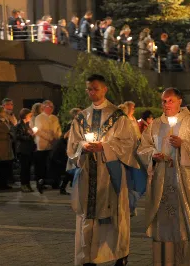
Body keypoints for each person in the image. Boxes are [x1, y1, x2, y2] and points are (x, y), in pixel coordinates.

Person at [137, 87, 190, 266]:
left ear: (180, 101)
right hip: (162, 181)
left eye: (170, 101)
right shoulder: (155, 125)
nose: (166, 104)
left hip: (186, 183)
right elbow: (143, 147)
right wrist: (153, 155)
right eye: (164, 101)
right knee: (165, 225)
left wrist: (184, 144)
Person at [67, 74, 140, 266]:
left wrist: (104, 146)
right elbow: (72, 145)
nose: (92, 92)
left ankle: (120, 254)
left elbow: (128, 144)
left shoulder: (118, 116)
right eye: (89, 89)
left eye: (95, 89)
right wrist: (83, 146)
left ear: (105, 89)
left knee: (115, 215)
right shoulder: (81, 117)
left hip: (111, 174)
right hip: (88, 174)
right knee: (88, 217)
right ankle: (88, 257)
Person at [34, 100, 62, 193]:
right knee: (41, 165)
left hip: (53, 145)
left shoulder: (54, 118)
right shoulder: (39, 118)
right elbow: (39, 131)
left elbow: (58, 129)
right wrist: (50, 138)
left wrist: (58, 137)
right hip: (43, 144)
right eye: (48, 106)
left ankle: (53, 182)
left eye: (52, 107)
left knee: (53, 165)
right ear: (43, 107)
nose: (50, 108)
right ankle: (41, 182)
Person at [15, 108, 36, 193]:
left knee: (27, 169)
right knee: (24, 168)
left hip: (29, 149)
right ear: (25, 116)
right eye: (30, 115)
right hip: (23, 149)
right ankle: (24, 185)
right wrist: (30, 136)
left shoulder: (27, 124)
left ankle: (28, 184)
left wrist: (32, 134)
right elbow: (18, 137)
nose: (31, 117)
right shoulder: (19, 125)